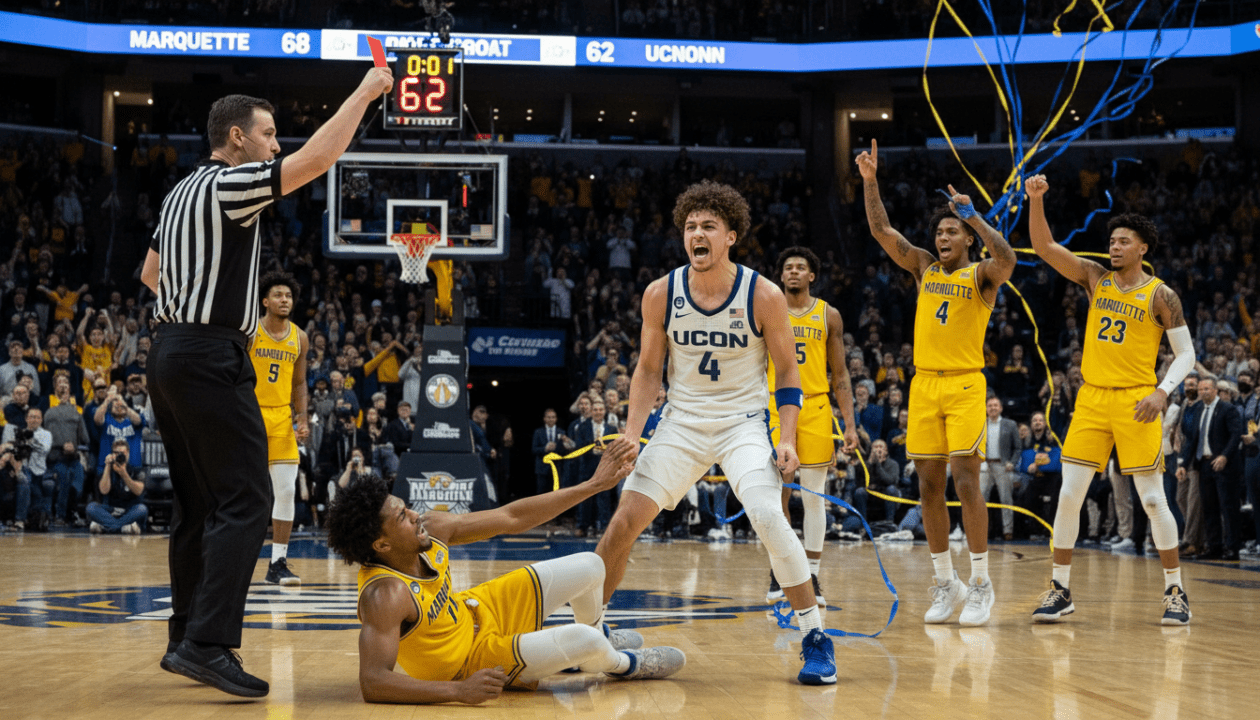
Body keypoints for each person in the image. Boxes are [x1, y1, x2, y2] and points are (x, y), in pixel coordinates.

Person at [143, 66, 394, 698]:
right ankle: (208, 643)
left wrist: (198, 309)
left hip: (169, 349)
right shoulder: (230, 185)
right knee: (248, 499)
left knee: (198, 505)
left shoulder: (181, 192)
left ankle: (183, 637)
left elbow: (150, 273)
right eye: (268, 133)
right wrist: (366, 92)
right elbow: (317, 158)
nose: (276, 143)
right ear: (236, 138)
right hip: (208, 354)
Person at [594, 180, 837, 686]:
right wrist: (634, 434)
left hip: (743, 423)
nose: (696, 234)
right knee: (623, 521)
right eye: (690, 227)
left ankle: (815, 636)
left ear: (730, 236)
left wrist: (786, 437)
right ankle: (588, 630)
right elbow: (646, 370)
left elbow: (788, 374)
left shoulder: (763, 294)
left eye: (708, 226)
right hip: (682, 421)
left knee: (770, 516)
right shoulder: (661, 293)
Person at [325, 437, 684, 704]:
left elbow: (511, 517)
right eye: (402, 517)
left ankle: (595, 641)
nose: (416, 515)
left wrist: (591, 486)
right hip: (470, 662)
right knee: (582, 641)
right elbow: (372, 682)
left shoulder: (431, 530)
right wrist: (458, 690)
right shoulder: (384, 595)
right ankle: (619, 663)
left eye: (407, 508)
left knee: (592, 565)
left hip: (479, 609)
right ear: (382, 545)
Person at [857, 140, 1016, 626]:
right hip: (924, 385)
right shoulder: (924, 267)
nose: (944, 237)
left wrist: (975, 217)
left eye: (953, 231)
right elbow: (883, 230)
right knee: (927, 485)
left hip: (966, 385)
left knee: (967, 481)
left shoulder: (982, 275)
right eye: (941, 231)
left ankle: (982, 582)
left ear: (967, 238)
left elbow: (1007, 258)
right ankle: (946, 583)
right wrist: (870, 181)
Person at [1025, 174, 1194, 626]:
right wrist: (1037, 201)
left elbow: (1187, 354)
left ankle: (1175, 590)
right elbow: (1045, 248)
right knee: (1069, 496)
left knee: (1154, 500)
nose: (1113, 247)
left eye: (1123, 241)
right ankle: (1060, 588)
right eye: (1111, 241)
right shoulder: (1094, 277)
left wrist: (1163, 392)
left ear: (1142, 248)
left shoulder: (1162, 296)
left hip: (1138, 401)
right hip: (1093, 400)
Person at [763, 246, 858, 606]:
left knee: (814, 497)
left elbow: (841, 374)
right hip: (775, 405)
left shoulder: (828, 315)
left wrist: (849, 423)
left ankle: (812, 577)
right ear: (781, 276)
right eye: (788, 267)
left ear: (812, 276)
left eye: (801, 267)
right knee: (777, 495)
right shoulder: (767, 311)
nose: (794, 272)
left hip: (816, 405)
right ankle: (781, 570)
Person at [250, 271, 310, 586]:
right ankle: (235, 558)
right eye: (277, 295)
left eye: (287, 295)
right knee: (246, 493)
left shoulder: (299, 337)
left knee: (286, 491)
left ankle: (278, 564)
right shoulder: (250, 331)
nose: (284, 299)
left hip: (282, 418)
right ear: (264, 300)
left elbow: (300, 382)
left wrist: (302, 417)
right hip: (250, 415)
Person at [1177, 376, 1244, 561]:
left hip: (1224, 465)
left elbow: (1235, 435)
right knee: (1209, 507)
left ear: (1215, 390)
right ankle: (1214, 546)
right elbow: (1192, 440)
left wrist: (1224, 455)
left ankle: (1232, 548)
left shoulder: (1228, 409)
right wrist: (1184, 464)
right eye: (1201, 389)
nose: (1203, 392)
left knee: (1228, 507)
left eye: (1207, 389)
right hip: (1204, 463)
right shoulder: (1199, 409)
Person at [980, 394, 1021, 541]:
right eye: (990, 406)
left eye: (995, 405)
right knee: (980, 500)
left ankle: (1007, 531)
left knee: (1006, 499)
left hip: (1002, 466)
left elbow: (1017, 448)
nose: (992, 408)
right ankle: (980, 531)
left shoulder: (1010, 424)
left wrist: (1012, 462)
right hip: (984, 465)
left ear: (1001, 408)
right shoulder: (980, 424)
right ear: (985, 409)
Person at [86, 438, 147, 534]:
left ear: (128, 453)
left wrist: (124, 474)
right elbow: (104, 490)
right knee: (91, 507)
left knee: (142, 509)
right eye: (116, 452)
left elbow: (138, 491)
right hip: (110, 510)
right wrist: (107, 466)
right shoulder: (107, 470)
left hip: (129, 511)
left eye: (122, 452)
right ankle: (123, 528)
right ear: (112, 454)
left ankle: (106, 527)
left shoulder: (136, 470)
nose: (119, 455)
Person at [532, 408, 571, 497]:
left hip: (557, 469)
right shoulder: (538, 432)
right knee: (541, 495)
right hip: (542, 469)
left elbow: (565, 451)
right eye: (549, 417)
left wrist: (562, 445)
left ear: (556, 419)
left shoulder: (561, 432)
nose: (551, 419)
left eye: (553, 417)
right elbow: (534, 449)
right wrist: (545, 448)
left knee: (556, 495)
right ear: (544, 419)